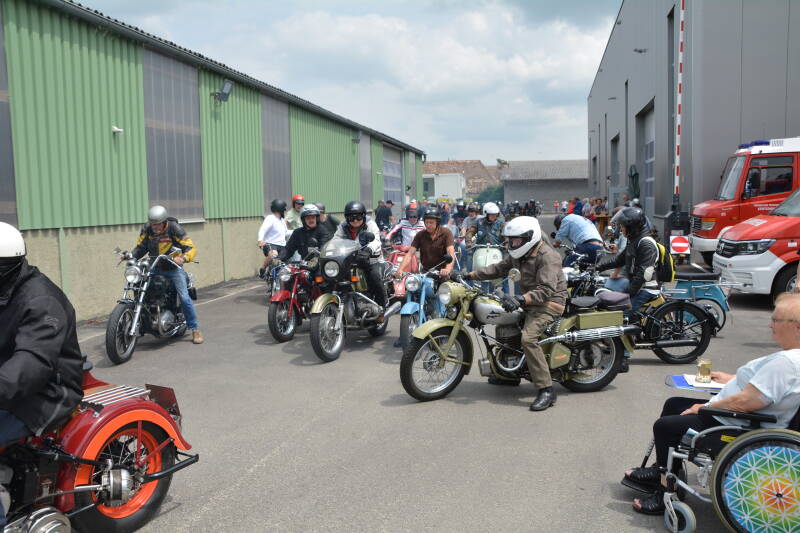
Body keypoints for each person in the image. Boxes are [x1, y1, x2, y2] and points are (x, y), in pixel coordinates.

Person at [623, 292, 800, 515]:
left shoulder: (787, 362)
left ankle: (666, 491)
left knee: (665, 426)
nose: (770, 324)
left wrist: (705, 408)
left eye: (775, 320)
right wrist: (731, 379)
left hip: (741, 425)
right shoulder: (791, 357)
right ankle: (662, 470)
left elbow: (747, 402)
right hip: (742, 418)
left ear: (797, 327)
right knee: (674, 404)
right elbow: (766, 388)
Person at [466, 216, 567, 411]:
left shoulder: (548, 256)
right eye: (510, 240)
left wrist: (521, 299)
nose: (512, 244)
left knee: (528, 339)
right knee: (503, 326)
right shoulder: (519, 253)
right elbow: (498, 268)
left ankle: (546, 389)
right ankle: (509, 375)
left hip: (549, 303)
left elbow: (546, 290)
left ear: (530, 237)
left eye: (516, 240)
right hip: (530, 300)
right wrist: (470, 275)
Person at [0, 222, 83, 448]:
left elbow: (32, 362)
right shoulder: (4, 289)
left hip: (47, 392)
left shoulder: (42, 301)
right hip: (10, 385)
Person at [595, 207, 659, 372]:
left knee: (621, 317)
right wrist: (597, 267)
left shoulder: (646, 243)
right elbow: (619, 260)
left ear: (632, 226)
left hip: (646, 288)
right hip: (637, 286)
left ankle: (622, 358)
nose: (621, 229)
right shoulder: (634, 240)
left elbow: (644, 273)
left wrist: (628, 293)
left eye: (623, 226)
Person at [132, 205, 203, 344]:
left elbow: (190, 247)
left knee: (184, 298)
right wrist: (131, 256)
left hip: (173, 268)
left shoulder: (174, 228)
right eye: (153, 224)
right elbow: (141, 247)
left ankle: (195, 329)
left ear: (164, 221)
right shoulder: (147, 228)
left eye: (158, 224)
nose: (155, 227)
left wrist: (183, 258)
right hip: (154, 266)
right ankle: (142, 322)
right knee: (140, 289)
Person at [334, 201, 387, 320]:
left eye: (358, 217)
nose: (355, 221)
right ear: (347, 218)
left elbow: (376, 240)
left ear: (363, 216)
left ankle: (382, 308)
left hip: (372, 260)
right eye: (351, 218)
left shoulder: (370, 224)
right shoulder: (343, 226)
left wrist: (368, 250)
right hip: (351, 259)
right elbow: (335, 240)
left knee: (375, 277)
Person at [396, 206, 455, 278]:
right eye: (426, 222)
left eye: (431, 223)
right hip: (426, 272)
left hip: (443, 273)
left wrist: (447, 269)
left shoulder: (446, 233)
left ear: (437, 222)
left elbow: (450, 252)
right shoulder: (420, 235)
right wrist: (400, 269)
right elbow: (410, 254)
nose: (428, 225)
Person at [258, 199, 289, 278]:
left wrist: (297, 231)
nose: (284, 212)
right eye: (284, 210)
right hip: (270, 244)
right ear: (280, 209)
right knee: (273, 255)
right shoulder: (270, 218)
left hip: (282, 245)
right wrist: (260, 240)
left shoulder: (282, 220)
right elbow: (263, 229)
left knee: (287, 261)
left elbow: (285, 233)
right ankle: (263, 269)